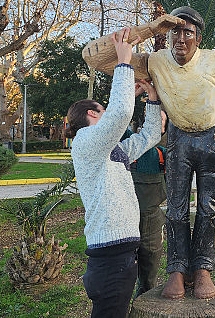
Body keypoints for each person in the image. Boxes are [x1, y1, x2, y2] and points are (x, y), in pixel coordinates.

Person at [128, 6, 215, 300]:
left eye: (187, 32)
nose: (180, 39)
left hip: (210, 140)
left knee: (208, 207)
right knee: (176, 208)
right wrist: (152, 28)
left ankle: (202, 270)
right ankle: (176, 270)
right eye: (174, 31)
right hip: (178, 140)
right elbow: (100, 57)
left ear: (198, 38)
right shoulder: (155, 61)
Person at [65, 28, 162, 318]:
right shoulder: (85, 142)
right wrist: (123, 62)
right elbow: (119, 115)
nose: (107, 112)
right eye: (102, 109)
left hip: (119, 255)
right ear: (92, 114)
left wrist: (152, 100)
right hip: (110, 258)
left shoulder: (112, 150)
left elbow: (150, 136)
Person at [121, 110, 168, 297]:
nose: (155, 122)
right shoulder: (129, 142)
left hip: (151, 220)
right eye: (151, 117)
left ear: (164, 129)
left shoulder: (164, 154)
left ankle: (143, 302)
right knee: (123, 268)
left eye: (160, 120)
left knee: (150, 265)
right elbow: (116, 119)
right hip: (124, 218)